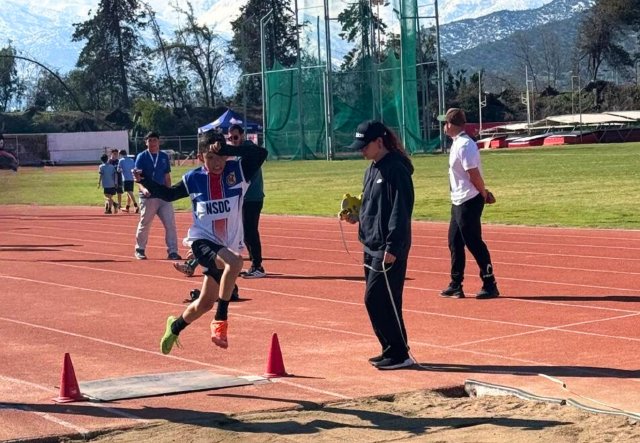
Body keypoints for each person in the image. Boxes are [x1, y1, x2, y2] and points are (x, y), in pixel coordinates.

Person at [134, 129, 267, 354]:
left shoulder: (238, 171)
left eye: (221, 157)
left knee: (205, 303)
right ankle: (220, 321)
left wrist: (229, 149)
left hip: (225, 247)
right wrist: (145, 181)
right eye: (211, 157)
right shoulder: (193, 178)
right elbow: (168, 194)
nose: (217, 163)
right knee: (236, 262)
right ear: (200, 157)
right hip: (202, 241)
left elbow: (261, 153)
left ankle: (174, 327)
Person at [346, 120, 415, 370]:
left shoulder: (396, 170)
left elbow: (401, 210)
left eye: (365, 146)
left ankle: (400, 353)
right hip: (371, 244)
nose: (361, 151)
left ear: (379, 142)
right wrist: (356, 216)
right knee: (381, 301)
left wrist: (393, 246)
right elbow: (371, 205)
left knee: (377, 299)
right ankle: (390, 349)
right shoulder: (371, 170)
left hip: (388, 248)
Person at [438, 108, 499, 300]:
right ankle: (456, 284)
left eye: (445, 123)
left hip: (469, 199)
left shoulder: (465, 145)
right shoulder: (457, 143)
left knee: (473, 242)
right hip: (458, 200)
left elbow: (473, 174)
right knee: (454, 242)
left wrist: (484, 193)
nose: (443, 127)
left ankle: (490, 283)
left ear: (450, 124)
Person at [133, 131, 181, 260]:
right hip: (148, 196)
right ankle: (140, 249)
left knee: (170, 224)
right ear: (146, 142)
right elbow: (137, 178)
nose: (152, 142)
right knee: (145, 223)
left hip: (163, 196)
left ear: (159, 142)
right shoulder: (142, 157)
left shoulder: (164, 156)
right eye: (150, 140)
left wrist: (169, 192)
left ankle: (173, 251)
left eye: (155, 140)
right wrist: (143, 189)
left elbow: (167, 176)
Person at [229, 124, 267, 278]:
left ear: (242, 135)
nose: (233, 141)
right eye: (230, 138)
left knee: (251, 231)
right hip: (244, 198)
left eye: (235, 137)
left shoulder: (248, 148)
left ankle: (258, 266)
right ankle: (254, 264)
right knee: (245, 232)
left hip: (253, 197)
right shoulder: (239, 153)